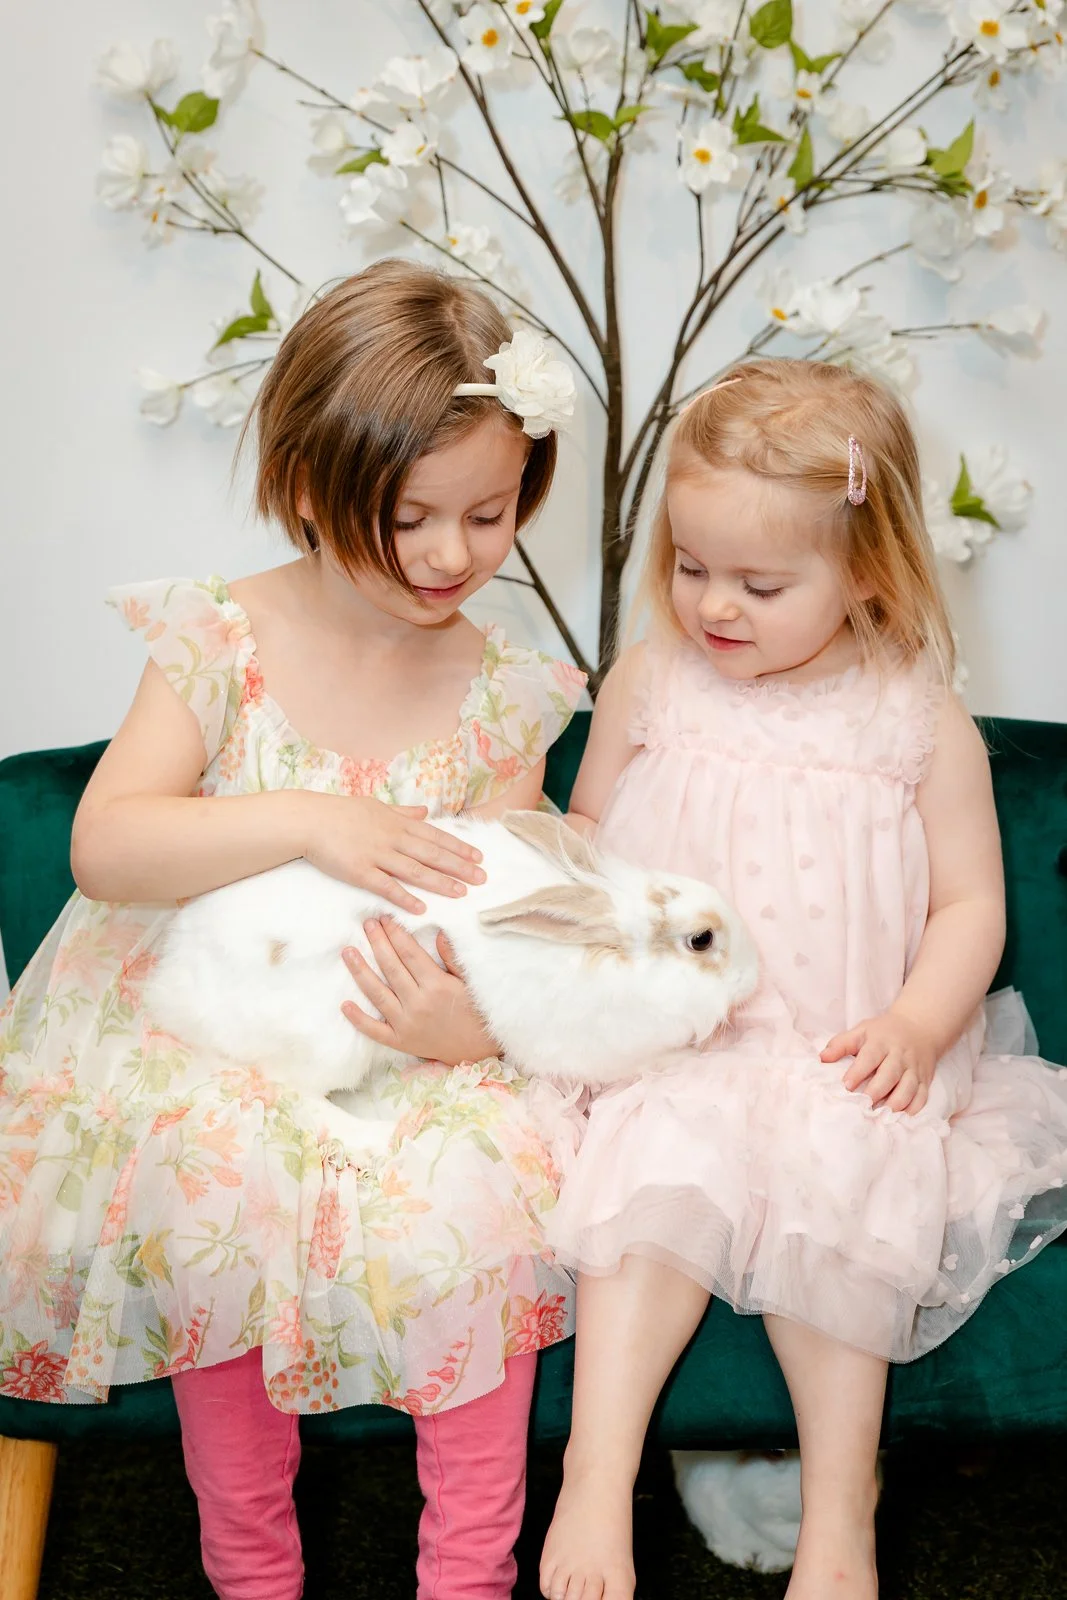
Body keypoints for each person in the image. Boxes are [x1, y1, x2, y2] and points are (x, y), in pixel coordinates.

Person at [0, 259, 587, 1600]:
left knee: (479, 1186)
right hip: (217, 1041)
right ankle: (252, 1571)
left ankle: (467, 1578)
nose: (450, 556)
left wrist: (469, 1024)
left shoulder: (503, 690)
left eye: (488, 514)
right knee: (218, 1176)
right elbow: (107, 846)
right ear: (310, 487)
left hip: (406, 1044)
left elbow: (509, 909)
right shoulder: (224, 638)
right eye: (407, 517)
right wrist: (308, 816)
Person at [538, 358, 1067, 1600]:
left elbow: (967, 904)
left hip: (840, 1045)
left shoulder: (913, 718)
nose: (712, 604)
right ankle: (594, 1476)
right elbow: (584, 834)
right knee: (649, 1170)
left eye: (759, 583)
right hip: (675, 1042)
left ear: (865, 571)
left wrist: (916, 1023)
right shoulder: (650, 680)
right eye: (688, 566)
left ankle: (838, 1518)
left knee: (843, 1190)